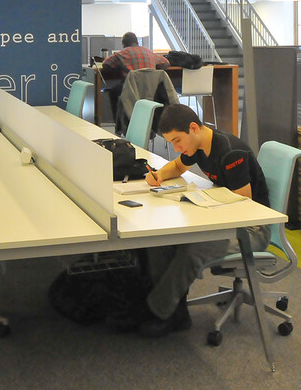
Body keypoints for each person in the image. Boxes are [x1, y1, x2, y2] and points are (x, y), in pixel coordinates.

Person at [114, 104, 271, 338]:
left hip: (250, 228)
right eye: (172, 143)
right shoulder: (198, 145)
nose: (176, 148)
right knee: (163, 239)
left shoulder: (230, 152)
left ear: (194, 128)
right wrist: (159, 175)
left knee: (193, 249)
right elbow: (178, 166)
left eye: (178, 141)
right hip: (222, 218)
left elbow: (243, 201)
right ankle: (175, 312)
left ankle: (156, 311)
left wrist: (203, 200)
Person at [100, 32, 169, 127]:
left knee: (114, 92)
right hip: (151, 89)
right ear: (136, 42)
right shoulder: (149, 52)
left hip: (132, 89)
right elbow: (166, 63)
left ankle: (120, 126)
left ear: (124, 44)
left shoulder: (122, 53)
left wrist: (119, 68)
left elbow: (106, 64)